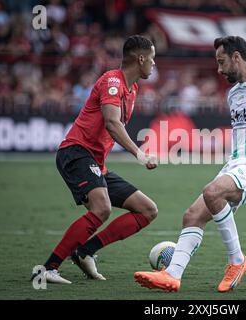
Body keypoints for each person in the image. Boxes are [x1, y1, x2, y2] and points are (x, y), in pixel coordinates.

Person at [134, 36, 246, 293]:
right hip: (236, 165)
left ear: (237, 56)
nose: (219, 69)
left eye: (221, 62)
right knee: (192, 216)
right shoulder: (233, 94)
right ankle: (172, 275)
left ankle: (237, 261)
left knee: (212, 191)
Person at [32, 35, 158, 284]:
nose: (153, 64)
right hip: (76, 152)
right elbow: (112, 122)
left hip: (96, 163)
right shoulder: (112, 80)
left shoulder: (132, 89)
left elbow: (113, 124)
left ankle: (85, 251)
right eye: (152, 59)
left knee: (147, 210)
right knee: (102, 208)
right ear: (141, 58)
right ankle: (47, 269)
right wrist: (139, 153)